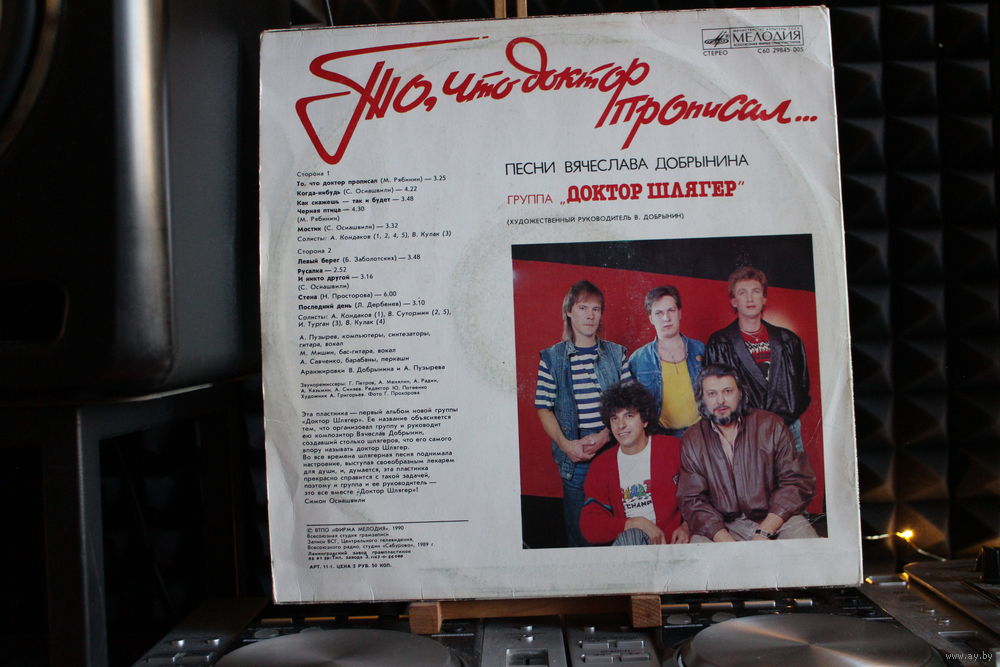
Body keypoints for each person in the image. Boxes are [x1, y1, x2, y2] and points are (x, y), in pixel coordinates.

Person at [535, 280, 631, 547]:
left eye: (596, 309)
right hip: (575, 457)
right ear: (569, 311)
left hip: (614, 450)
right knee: (582, 535)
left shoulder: (616, 354)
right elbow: (543, 407)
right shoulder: (552, 358)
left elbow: (629, 403)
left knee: (619, 529)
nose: (590, 315)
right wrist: (567, 446)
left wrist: (605, 436)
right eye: (583, 308)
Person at [678, 363, 817, 542]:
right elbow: (692, 499)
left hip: (776, 518)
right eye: (712, 394)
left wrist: (764, 530)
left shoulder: (771, 425)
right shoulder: (693, 438)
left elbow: (796, 481)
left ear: (740, 393)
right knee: (698, 548)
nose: (720, 400)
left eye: (728, 391)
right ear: (702, 398)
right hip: (724, 526)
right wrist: (725, 540)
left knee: (807, 544)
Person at [705, 266, 811, 451]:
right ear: (734, 301)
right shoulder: (720, 343)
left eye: (755, 291)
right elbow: (714, 391)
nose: (750, 298)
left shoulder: (788, 340)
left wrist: (786, 416)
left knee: (795, 471)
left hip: (787, 428)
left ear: (764, 299)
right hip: (745, 432)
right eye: (742, 292)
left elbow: (802, 384)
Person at [580, 381, 689, 546]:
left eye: (629, 416)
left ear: (644, 420)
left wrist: (687, 526)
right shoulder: (601, 466)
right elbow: (589, 525)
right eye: (614, 418)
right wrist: (633, 523)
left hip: (675, 542)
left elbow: (702, 495)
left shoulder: (673, 449)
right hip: (631, 544)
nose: (621, 425)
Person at [627, 286, 704, 436]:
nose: (666, 318)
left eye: (671, 310)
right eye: (659, 313)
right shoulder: (638, 360)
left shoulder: (701, 350)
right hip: (661, 436)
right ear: (651, 318)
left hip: (701, 433)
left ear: (679, 313)